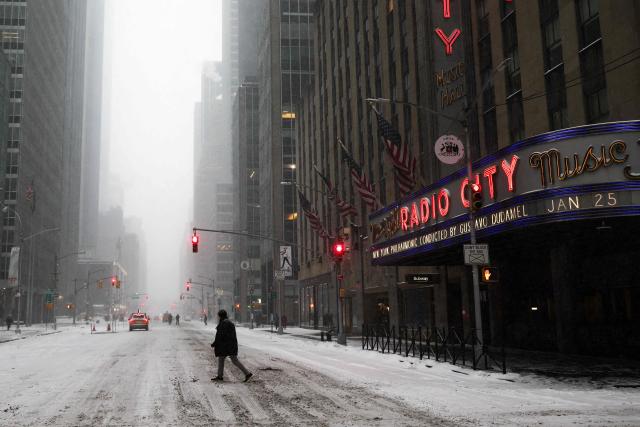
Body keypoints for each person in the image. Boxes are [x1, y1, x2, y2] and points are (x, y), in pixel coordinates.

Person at [210, 309, 252, 382]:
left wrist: (214, 343)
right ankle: (246, 373)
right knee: (229, 360)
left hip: (226, 346)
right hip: (230, 345)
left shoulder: (224, 323)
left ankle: (247, 373)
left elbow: (220, 336)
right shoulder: (228, 322)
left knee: (227, 360)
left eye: (218, 316)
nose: (218, 317)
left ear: (220, 316)